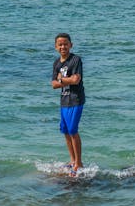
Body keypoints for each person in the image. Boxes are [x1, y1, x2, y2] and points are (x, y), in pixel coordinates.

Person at [51, 33, 85, 176]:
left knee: (73, 130)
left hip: (76, 99)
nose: (63, 46)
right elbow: (53, 84)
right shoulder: (56, 63)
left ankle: (79, 163)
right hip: (64, 101)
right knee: (65, 131)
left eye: (65, 44)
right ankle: (72, 160)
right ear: (56, 47)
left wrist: (62, 80)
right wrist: (64, 80)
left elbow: (76, 80)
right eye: (60, 44)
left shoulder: (75, 60)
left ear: (71, 45)